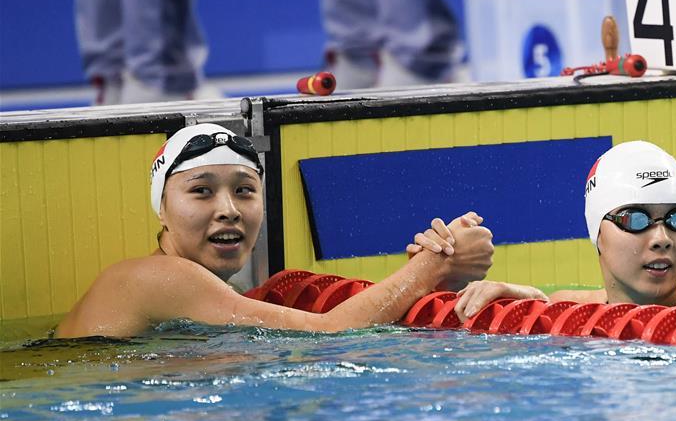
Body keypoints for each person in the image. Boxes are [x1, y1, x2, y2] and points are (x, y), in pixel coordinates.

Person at [55, 123, 493, 338]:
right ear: (162, 212)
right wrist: (431, 268)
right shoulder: (158, 278)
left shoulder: (199, 299)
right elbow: (329, 334)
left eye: (245, 191)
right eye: (201, 192)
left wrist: (437, 281)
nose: (228, 210)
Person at [406, 141, 676, 319]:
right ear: (597, 233)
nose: (662, 239)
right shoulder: (567, 306)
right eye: (635, 219)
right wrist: (434, 280)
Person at [74, 0, 215, 105]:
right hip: (159, 87)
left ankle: (115, 88)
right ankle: (162, 83)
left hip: (112, 81)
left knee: (113, 70)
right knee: (159, 74)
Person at [321, 0, 466, 88]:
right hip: (355, 53)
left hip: (414, 64)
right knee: (357, 44)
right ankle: (361, 58)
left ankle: (422, 65)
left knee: (414, 49)